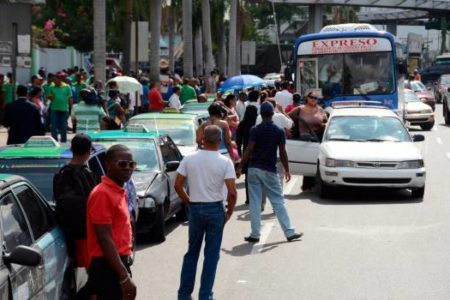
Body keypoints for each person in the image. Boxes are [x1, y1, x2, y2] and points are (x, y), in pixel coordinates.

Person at [175, 125, 237, 300]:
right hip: (215, 208)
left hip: (195, 208)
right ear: (219, 141)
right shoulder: (225, 162)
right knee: (211, 256)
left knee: (191, 253)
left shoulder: (189, 159)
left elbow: (178, 185)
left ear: (203, 140)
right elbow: (232, 192)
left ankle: (184, 294)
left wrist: (189, 201)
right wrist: (229, 212)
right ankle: (205, 295)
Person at [237, 102, 302, 243]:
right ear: (273, 114)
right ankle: (289, 232)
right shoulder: (278, 131)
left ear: (261, 114)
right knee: (278, 201)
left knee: (255, 202)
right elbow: (283, 152)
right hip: (269, 169)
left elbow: (248, 149)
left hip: (253, 168)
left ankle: (255, 234)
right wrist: (287, 169)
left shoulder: (255, 130)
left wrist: (241, 166)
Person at [86, 144, 137, 300]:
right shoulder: (102, 193)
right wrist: (123, 276)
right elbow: (104, 238)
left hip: (116, 263)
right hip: (106, 266)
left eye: (131, 164)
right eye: (122, 164)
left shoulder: (118, 190)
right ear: (107, 164)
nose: (128, 168)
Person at [53, 134, 99, 298]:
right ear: (88, 152)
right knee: (94, 276)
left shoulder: (61, 174)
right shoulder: (88, 175)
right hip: (86, 233)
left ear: (71, 150)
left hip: (64, 232)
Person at [288, 91, 328, 191]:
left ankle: (314, 185)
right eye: (311, 97)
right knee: (308, 162)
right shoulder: (299, 109)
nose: (313, 99)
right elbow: (287, 118)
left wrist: (324, 125)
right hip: (304, 140)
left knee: (316, 161)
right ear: (307, 97)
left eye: (316, 98)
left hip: (318, 139)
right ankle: (307, 186)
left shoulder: (320, 110)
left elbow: (327, 122)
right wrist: (287, 130)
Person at [236, 105, 258, 204]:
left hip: (246, 152)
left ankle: (248, 198)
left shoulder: (242, 123)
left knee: (248, 177)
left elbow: (238, 140)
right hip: (258, 152)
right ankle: (257, 197)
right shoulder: (257, 123)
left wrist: (240, 154)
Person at [48, 72, 73, 142]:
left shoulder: (67, 87)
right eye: (53, 80)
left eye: (55, 80)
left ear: (60, 79)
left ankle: (63, 141)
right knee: (54, 127)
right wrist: (50, 97)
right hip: (54, 109)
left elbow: (70, 98)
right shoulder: (51, 87)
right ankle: (54, 141)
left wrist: (71, 109)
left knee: (63, 127)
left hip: (64, 109)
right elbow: (49, 98)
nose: (54, 82)